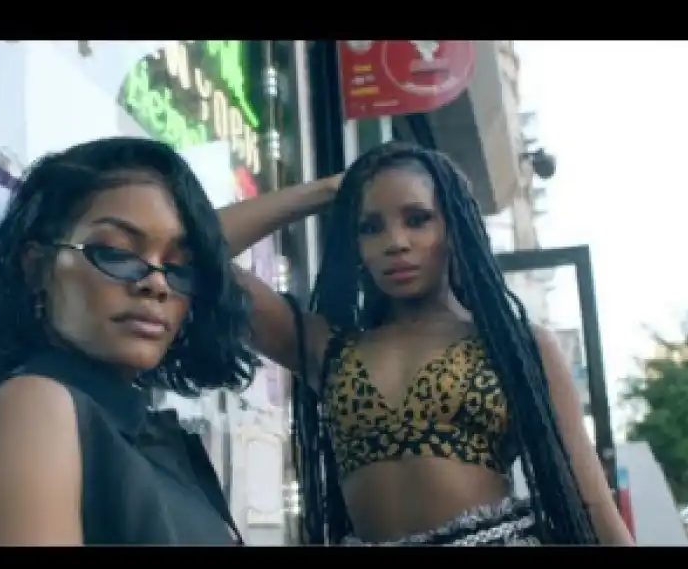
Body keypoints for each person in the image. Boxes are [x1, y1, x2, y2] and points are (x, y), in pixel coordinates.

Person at [218, 140, 634, 546]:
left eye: (417, 219)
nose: (395, 242)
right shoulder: (326, 348)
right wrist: (328, 190)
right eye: (370, 227)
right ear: (355, 245)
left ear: (454, 228)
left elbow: (592, 502)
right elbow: (198, 251)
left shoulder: (516, 346)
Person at [0, 137, 258, 546]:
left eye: (179, 266)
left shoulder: (146, 431)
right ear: (37, 267)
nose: (157, 284)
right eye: (116, 252)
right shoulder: (38, 405)